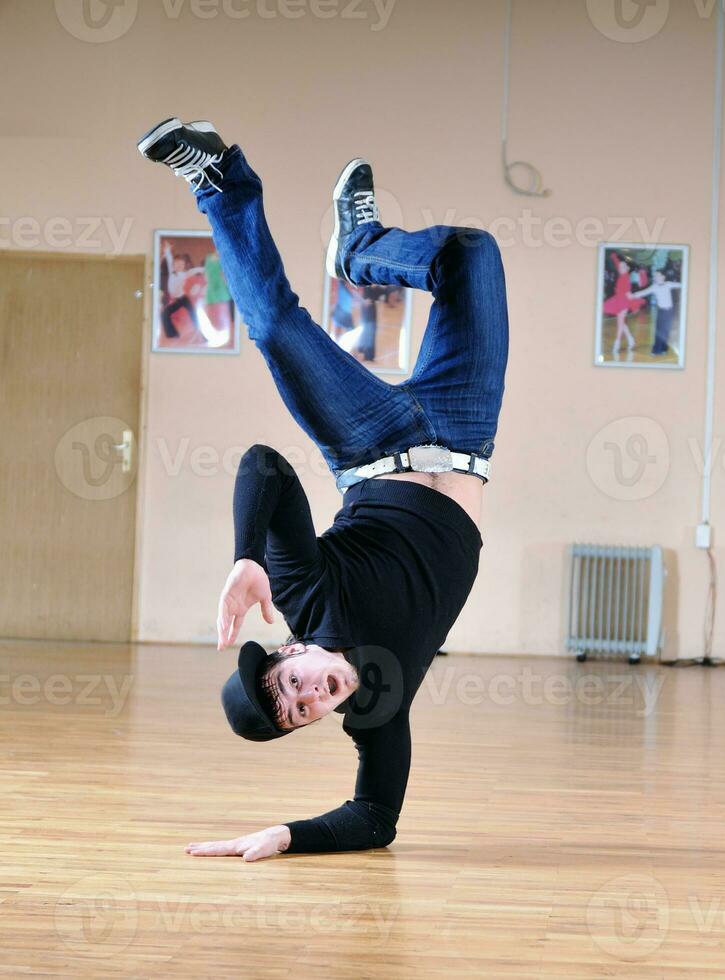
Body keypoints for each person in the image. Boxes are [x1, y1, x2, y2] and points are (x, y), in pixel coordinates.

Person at [137, 117, 508, 860]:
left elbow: (266, 466)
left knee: (275, 329)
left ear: (289, 650)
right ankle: (363, 251)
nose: (306, 699)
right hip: (465, 433)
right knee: (471, 254)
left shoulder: (303, 593)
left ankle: (222, 186)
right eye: (297, 714)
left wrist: (246, 556)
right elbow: (376, 819)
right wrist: (285, 835)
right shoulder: (378, 705)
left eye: (289, 685)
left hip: (370, 442)